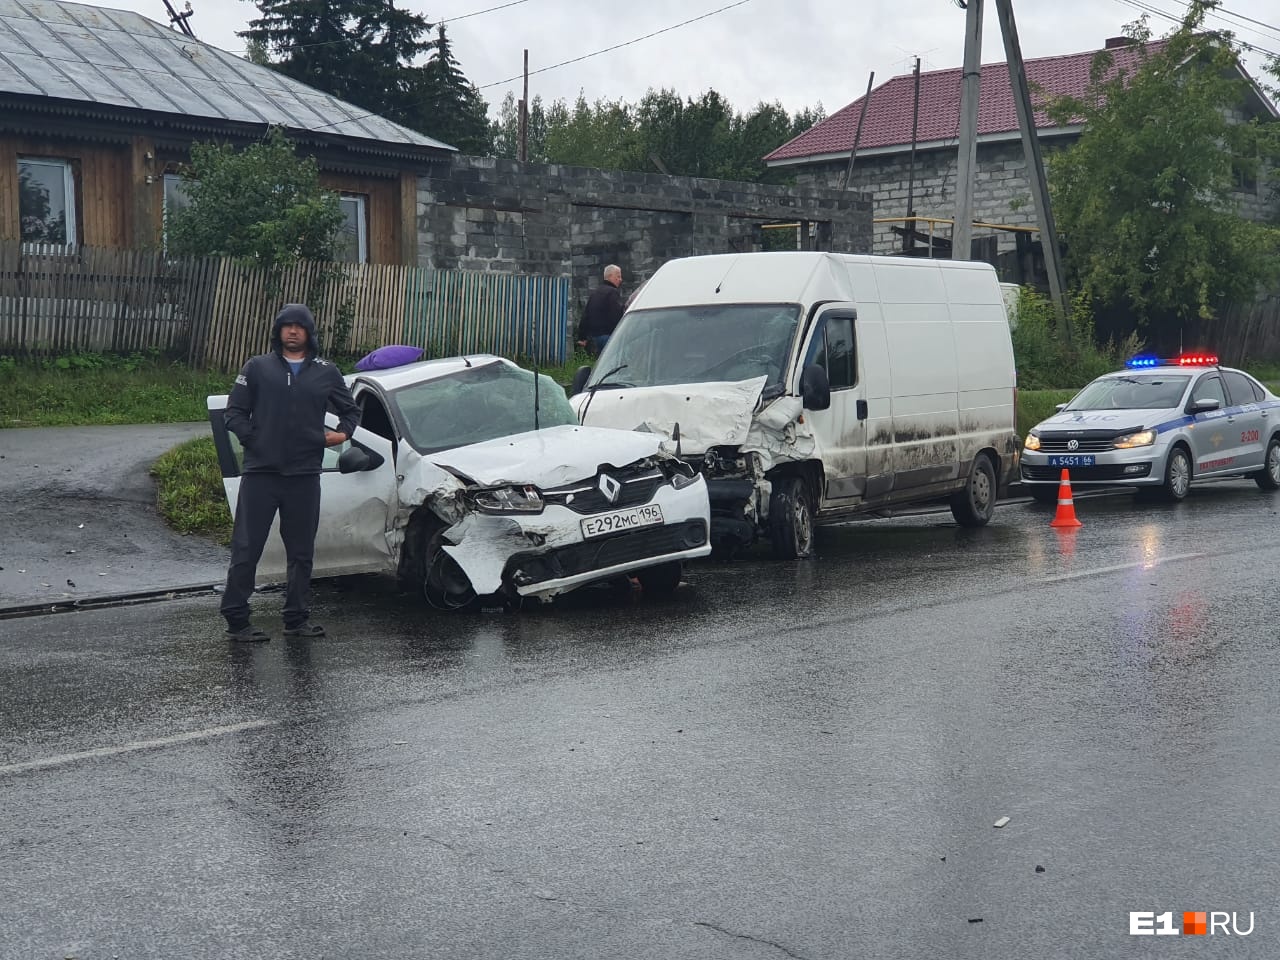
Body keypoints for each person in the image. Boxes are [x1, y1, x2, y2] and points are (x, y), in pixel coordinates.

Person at [219, 303, 361, 643]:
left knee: (301, 552)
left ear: (309, 332)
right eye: (287, 326)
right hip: (261, 475)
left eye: (300, 326)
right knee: (246, 548)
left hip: (304, 475)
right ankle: (237, 620)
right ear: (278, 331)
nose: (293, 331)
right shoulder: (257, 367)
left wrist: (342, 433)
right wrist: (255, 439)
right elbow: (233, 413)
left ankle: (296, 619)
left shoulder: (326, 371)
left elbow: (351, 410)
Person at [576, 264, 625, 356]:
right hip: (609, 336)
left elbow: (586, 315)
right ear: (610, 276)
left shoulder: (595, 292)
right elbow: (616, 315)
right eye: (618, 276)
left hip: (595, 337)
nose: (620, 279)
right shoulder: (612, 292)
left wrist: (582, 337)